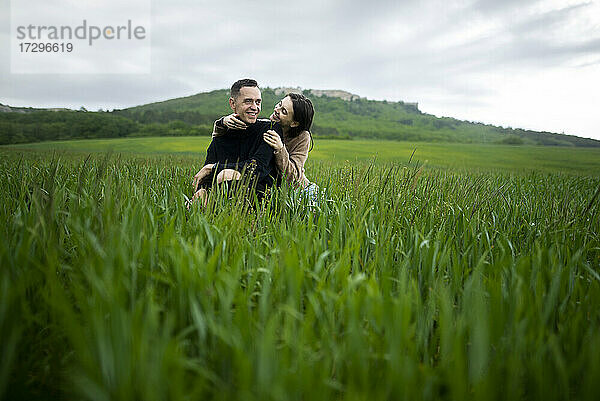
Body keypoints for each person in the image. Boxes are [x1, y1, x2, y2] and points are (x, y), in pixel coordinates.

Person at [190, 79, 283, 206]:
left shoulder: (270, 128)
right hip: (223, 194)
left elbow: (257, 168)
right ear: (233, 103)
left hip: (261, 197)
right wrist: (203, 191)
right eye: (248, 101)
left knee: (226, 174)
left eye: (258, 102)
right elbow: (206, 176)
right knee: (199, 197)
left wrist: (213, 168)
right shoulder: (222, 133)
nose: (255, 107)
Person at [214, 92, 319, 201]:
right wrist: (223, 123)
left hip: (299, 191)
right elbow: (221, 139)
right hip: (271, 187)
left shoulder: (302, 137)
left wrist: (280, 149)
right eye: (279, 104)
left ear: (294, 123)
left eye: (283, 111)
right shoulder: (264, 125)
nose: (276, 110)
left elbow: (293, 178)